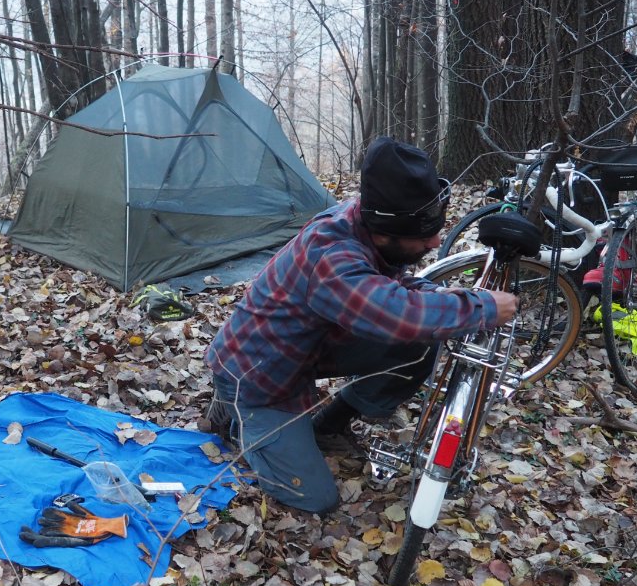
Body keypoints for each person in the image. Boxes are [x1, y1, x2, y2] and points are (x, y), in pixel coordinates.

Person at [203, 136, 518, 514]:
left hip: (307, 348)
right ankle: (236, 416)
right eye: (423, 236)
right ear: (385, 234)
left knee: (420, 342)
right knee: (316, 499)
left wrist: (439, 296)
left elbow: (391, 287)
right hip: (257, 379)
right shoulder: (333, 256)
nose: (436, 241)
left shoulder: (364, 221)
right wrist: (480, 307)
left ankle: (329, 424)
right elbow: (397, 313)